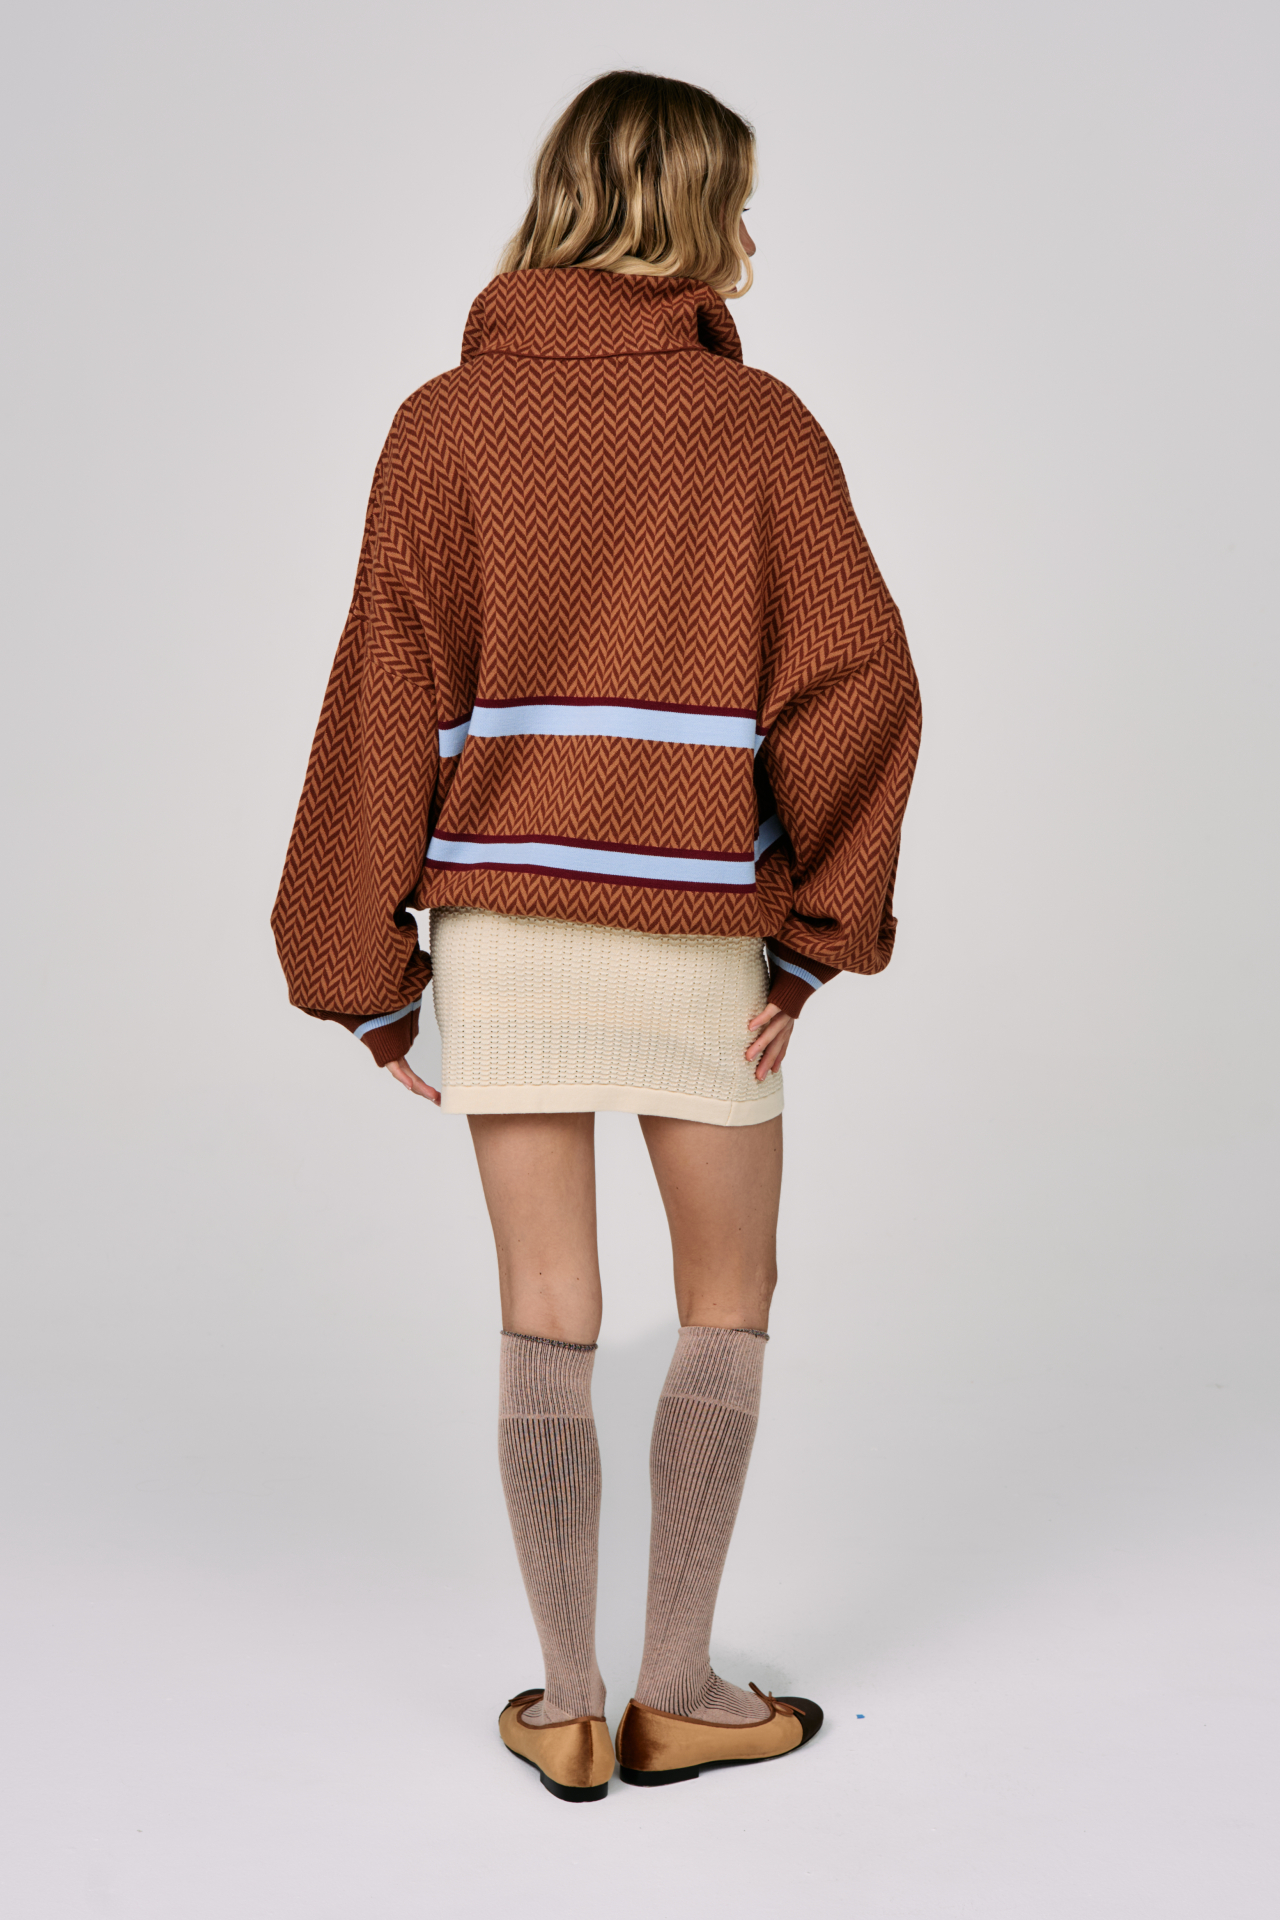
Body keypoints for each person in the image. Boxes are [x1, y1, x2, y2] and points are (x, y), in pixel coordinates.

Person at [272, 69, 921, 1802]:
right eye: (740, 203)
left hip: (503, 935)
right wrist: (815, 939)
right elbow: (861, 684)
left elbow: (381, 702)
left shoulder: (440, 426)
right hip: (699, 935)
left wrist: (364, 979)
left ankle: (565, 1707)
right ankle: (679, 1688)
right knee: (728, 1300)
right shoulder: (758, 428)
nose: (753, 235)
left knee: (544, 1310)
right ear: (695, 214)